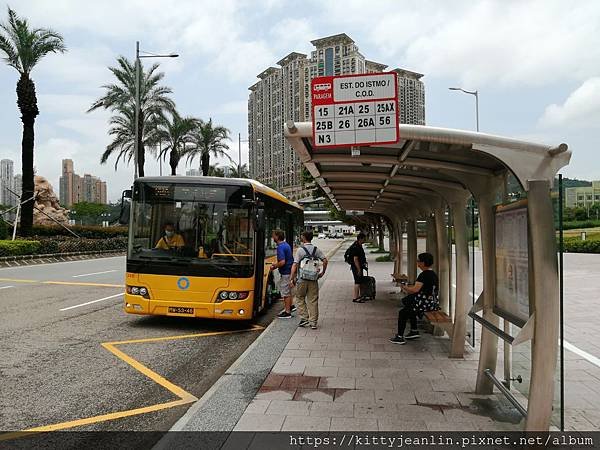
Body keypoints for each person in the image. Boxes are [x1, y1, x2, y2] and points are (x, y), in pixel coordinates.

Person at [390, 252, 439, 345]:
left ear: (423, 263)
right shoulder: (433, 274)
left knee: (403, 313)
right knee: (409, 304)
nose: (417, 262)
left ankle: (400, 337)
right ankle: (414, 330)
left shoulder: (424, 275)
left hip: (423, 304)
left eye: (418, 261)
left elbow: (414, 290)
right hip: (431, 302)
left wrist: (403, 287)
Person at [290, 231, 328, 329]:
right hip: (313, 279)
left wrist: (292, 278)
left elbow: (295, 265)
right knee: (313, 300)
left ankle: (304, 318)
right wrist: (322, 272)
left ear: (303, 238)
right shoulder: (316, 250)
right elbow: (325, 260)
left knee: (299, 298)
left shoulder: (300, 250)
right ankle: (313, 322)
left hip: (302, 279)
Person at [270, 229, 295, 319]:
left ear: (277, 236)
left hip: (285, 272)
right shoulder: (286, 245)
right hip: (289, 271)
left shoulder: (280, 247)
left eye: (273, 235)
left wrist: (274, 266)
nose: (272, 237)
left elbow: (282, 262)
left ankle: (287, 312)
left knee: (285, 293)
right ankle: (290, 306)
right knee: (288, 291)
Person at [346, 232, 367, 303]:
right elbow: (355, 259)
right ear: (360, 239)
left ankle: (359, 296)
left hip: (357, 266)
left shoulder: (358, 245)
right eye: (364, 239)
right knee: (357, 281)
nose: (365, 240)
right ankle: (355, 297)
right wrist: (359, 269)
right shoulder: (356, 247)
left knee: (359, 281)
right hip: (356, 267)